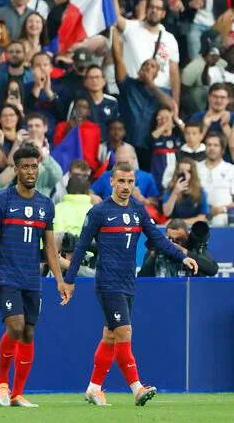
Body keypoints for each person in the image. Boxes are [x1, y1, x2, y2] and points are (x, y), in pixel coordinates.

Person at [63, 162, 199, 407]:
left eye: (130, 182)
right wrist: (69, 280)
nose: (126, 186)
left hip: (128, 282)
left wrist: (182, 255)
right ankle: (136, 388)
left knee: (111, 336)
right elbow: (81, 246)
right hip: (107, 282)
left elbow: (157, 239)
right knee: (125, 332)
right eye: (121, 181)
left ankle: (93, 388)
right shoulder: (99, 212)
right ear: (111, 182)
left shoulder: (138, 210)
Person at [0, 142, 70, 408]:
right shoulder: (1, 199)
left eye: (34, 166)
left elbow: (50, 248)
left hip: (33, 278)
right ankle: (1, 382)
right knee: (16, 327)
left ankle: (17, 394)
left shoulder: (46, 205)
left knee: (29, 334)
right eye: (25, 167)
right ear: (16, 169)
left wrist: (59, 279)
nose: (30, 171)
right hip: (7, 275)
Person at [139, 219, 218, 278]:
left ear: (187, 236)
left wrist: (185, 252)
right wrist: (153, 254)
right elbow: (143, 276)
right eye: (171, 239)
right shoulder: (160, 248)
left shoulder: (194, 248)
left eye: (179, 239)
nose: (174, 243)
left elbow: (213, 269)